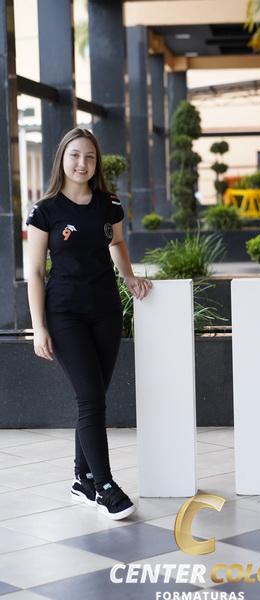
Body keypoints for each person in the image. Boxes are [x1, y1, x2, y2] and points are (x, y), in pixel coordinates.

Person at [26, 127, 152, 521]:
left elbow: (117, 243)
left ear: (97, 163)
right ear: (62, 159)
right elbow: (34, 272)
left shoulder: (109, 204)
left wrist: (129, 277)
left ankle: (82, 479)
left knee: (94, 396)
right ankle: (106, 486)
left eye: (90, 157)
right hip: (64, 314)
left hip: (106, 311)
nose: (82, 163)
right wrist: (39, 327)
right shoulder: (44, 211)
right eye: (75, 155)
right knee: (90, 398)